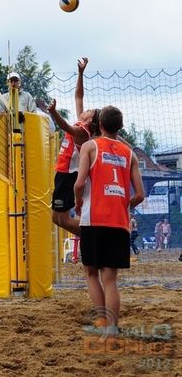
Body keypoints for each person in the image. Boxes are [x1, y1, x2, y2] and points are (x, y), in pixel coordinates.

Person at [74, 105, 145, 337]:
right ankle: (112, 329)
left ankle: (103, 324)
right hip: (118, 223)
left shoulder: (90, 146)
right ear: (120, 127)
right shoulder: (130, 154)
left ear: (100, 125)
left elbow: (79, 183)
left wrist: (77, 203)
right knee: (110, 279)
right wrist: (124, 206)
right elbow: (140, 195)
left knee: (91, 274)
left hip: (93, 220)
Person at [48, 57, 100, 236]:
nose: (86, 110)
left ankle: (94, 236)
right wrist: (80, 73)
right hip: (63, 173)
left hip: (68, 175)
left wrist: (54, 113)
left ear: (90, 119)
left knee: (63, 220)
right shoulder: (82, 123)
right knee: (56, 218)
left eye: (89, 111)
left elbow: (65, 127)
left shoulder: (82, 132)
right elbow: (79, 96)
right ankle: (91, 235)